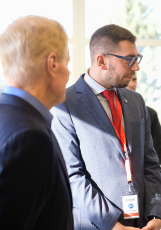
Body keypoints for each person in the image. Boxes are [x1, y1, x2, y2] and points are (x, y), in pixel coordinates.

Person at [51, 24, 161, 230]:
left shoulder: (137, 101)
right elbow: (72, 176)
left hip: (141, 223)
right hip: (95, 224)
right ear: (102, 61)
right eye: (129, 59)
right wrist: (113, 224)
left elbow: (150, 163)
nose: (136, 67)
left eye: (137, 59)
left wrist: (156, 212)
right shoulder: (64, 105)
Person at [0, 15, 73, 229]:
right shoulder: (29, 138)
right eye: (67, 62)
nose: (69, 73)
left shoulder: (10, 119)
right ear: (52, 64)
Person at [127, 74, 161, 164]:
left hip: (144, 174)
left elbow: (157, 153)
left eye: (134, 79)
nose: (132, 84)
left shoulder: (151, 114)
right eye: (128, 80)